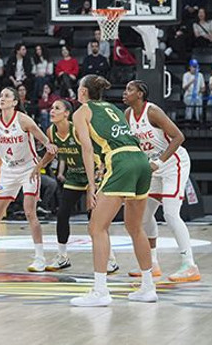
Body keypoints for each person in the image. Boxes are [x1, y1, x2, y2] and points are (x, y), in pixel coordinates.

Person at [69, 75, 156, 307]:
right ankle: (148, 287)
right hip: (141, 161)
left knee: (97, 227)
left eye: (79, 88)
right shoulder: (114, 109)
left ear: (84, 92)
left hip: (121, 163)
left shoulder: (81, 112)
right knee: (135, 227)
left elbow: (87, 149)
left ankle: (100, 291)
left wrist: (91, 185)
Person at [0, 87, 57, 272]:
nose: (2, 98)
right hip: (9, 170)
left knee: (29, 212)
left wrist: (45, 156)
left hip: (28, 169)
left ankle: (40, 258)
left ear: (15, 102)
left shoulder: (24, 120)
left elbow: (46, 143)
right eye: (1, 95)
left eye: (7, 96)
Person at [124, 81, 201, 282]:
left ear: (140, 94)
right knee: (144, 216)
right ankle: (153, 264)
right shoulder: (127, 115)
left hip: (173, 163)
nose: (125, 93)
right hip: (152, 167)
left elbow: (178, 137)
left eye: (130, 90)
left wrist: (159, 161)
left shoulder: (153, 111)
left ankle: (190, 265)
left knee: (170, 213)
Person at [39, 100, 119, 274]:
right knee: (62, 213)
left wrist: (100, 172)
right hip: (74, 176)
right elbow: (51, 153)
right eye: (52, 108)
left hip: (94, 173)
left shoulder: (76, 129)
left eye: (57, 108)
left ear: (67, 113)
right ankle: (62, 256)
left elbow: (95, 150)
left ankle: (110, 260)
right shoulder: (51, 131)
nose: (52, 111)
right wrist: (37, 167)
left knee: (96, 219)